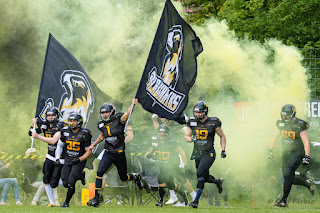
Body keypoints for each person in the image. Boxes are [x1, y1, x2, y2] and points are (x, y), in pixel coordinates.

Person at [87, 98, 143, 208]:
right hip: (108, 152)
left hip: (119, 153)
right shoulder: (101, 124)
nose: (105, 114)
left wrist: (133, 104)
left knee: (123, 177)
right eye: (103, 113)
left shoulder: (119, 119)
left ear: (112, 111)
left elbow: (127, 114)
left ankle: (136, 176)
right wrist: (93, 145)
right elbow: (102, 136)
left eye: (107, 112)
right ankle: (96, 198)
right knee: (99, 172)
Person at [33, 113, 93, 207]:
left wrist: (79, 159)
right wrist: (57, 158)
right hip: (68, 158)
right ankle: (80, 176)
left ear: (79, 122)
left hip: (78, 160)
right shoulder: (65, 131)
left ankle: (66, 203)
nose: (72, 123)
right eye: (71, 121)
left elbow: (89, 152)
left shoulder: (85, 133)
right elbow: (60, 146)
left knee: (71, 181)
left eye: (74, 121)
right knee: (65, 183)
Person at [268, 104, 314, 207]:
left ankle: (283, 200)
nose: (285, 117)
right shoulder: (280, 124)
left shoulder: (300, 124)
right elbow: (274, 137)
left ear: (292, 114)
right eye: (283, 115)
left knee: (288, 173)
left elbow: (306, 142)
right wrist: (270, 150)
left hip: (297, 153)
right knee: (288, 177)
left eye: (287, 115)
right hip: (286, 153)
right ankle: (306, 183)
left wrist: (307, 156)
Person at [185, 101, 226, 208]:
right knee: (205, 177)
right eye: (196, 112)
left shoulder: (214, 122)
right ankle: (217, 182)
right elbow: (186, 136)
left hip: (209, 153)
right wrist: (191, 139)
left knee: (199, 174)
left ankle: (195, 201)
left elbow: (222, 136)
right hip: (197, 153)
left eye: (200, 112)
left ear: (205, 112)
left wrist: (223, 150)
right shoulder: (192, 121)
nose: (198, 114)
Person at [151, 114, 196, 205]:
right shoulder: (163, 129)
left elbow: (188, 131)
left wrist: (187, 122)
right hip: (169, 157)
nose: (162, 118)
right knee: (168, 178)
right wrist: (154, 120)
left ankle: (193, 195)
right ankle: (174, 197)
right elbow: (158, 129)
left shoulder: (175, 126)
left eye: (163, 116)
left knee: (181, 178)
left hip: (177, 155)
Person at [29, 106, 66, 207]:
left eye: (53, 115)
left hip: (61, 157)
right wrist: (33, 123)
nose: (50, 117)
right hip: (50, 156)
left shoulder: (61, 125)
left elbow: (54, 141)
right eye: (49, 115)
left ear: (57, 116)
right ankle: (52, 202)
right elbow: (31, 133)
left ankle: (78, 176)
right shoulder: (45, 125)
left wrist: (38, 136)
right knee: (46, 179)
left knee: (60, 182)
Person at [145, 123, 190, 207]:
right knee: (166, 183)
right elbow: (149, 151)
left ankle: (162, 199)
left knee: (165, 182)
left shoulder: (172, 142)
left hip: (172, 166)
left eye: (164, 133)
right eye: (160, 132)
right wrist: (148, 155)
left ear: (168, 134)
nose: (162, 134)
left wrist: (185, 165)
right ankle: (165, 198)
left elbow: (182, 153)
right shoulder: (155, 141)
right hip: (162, 165)